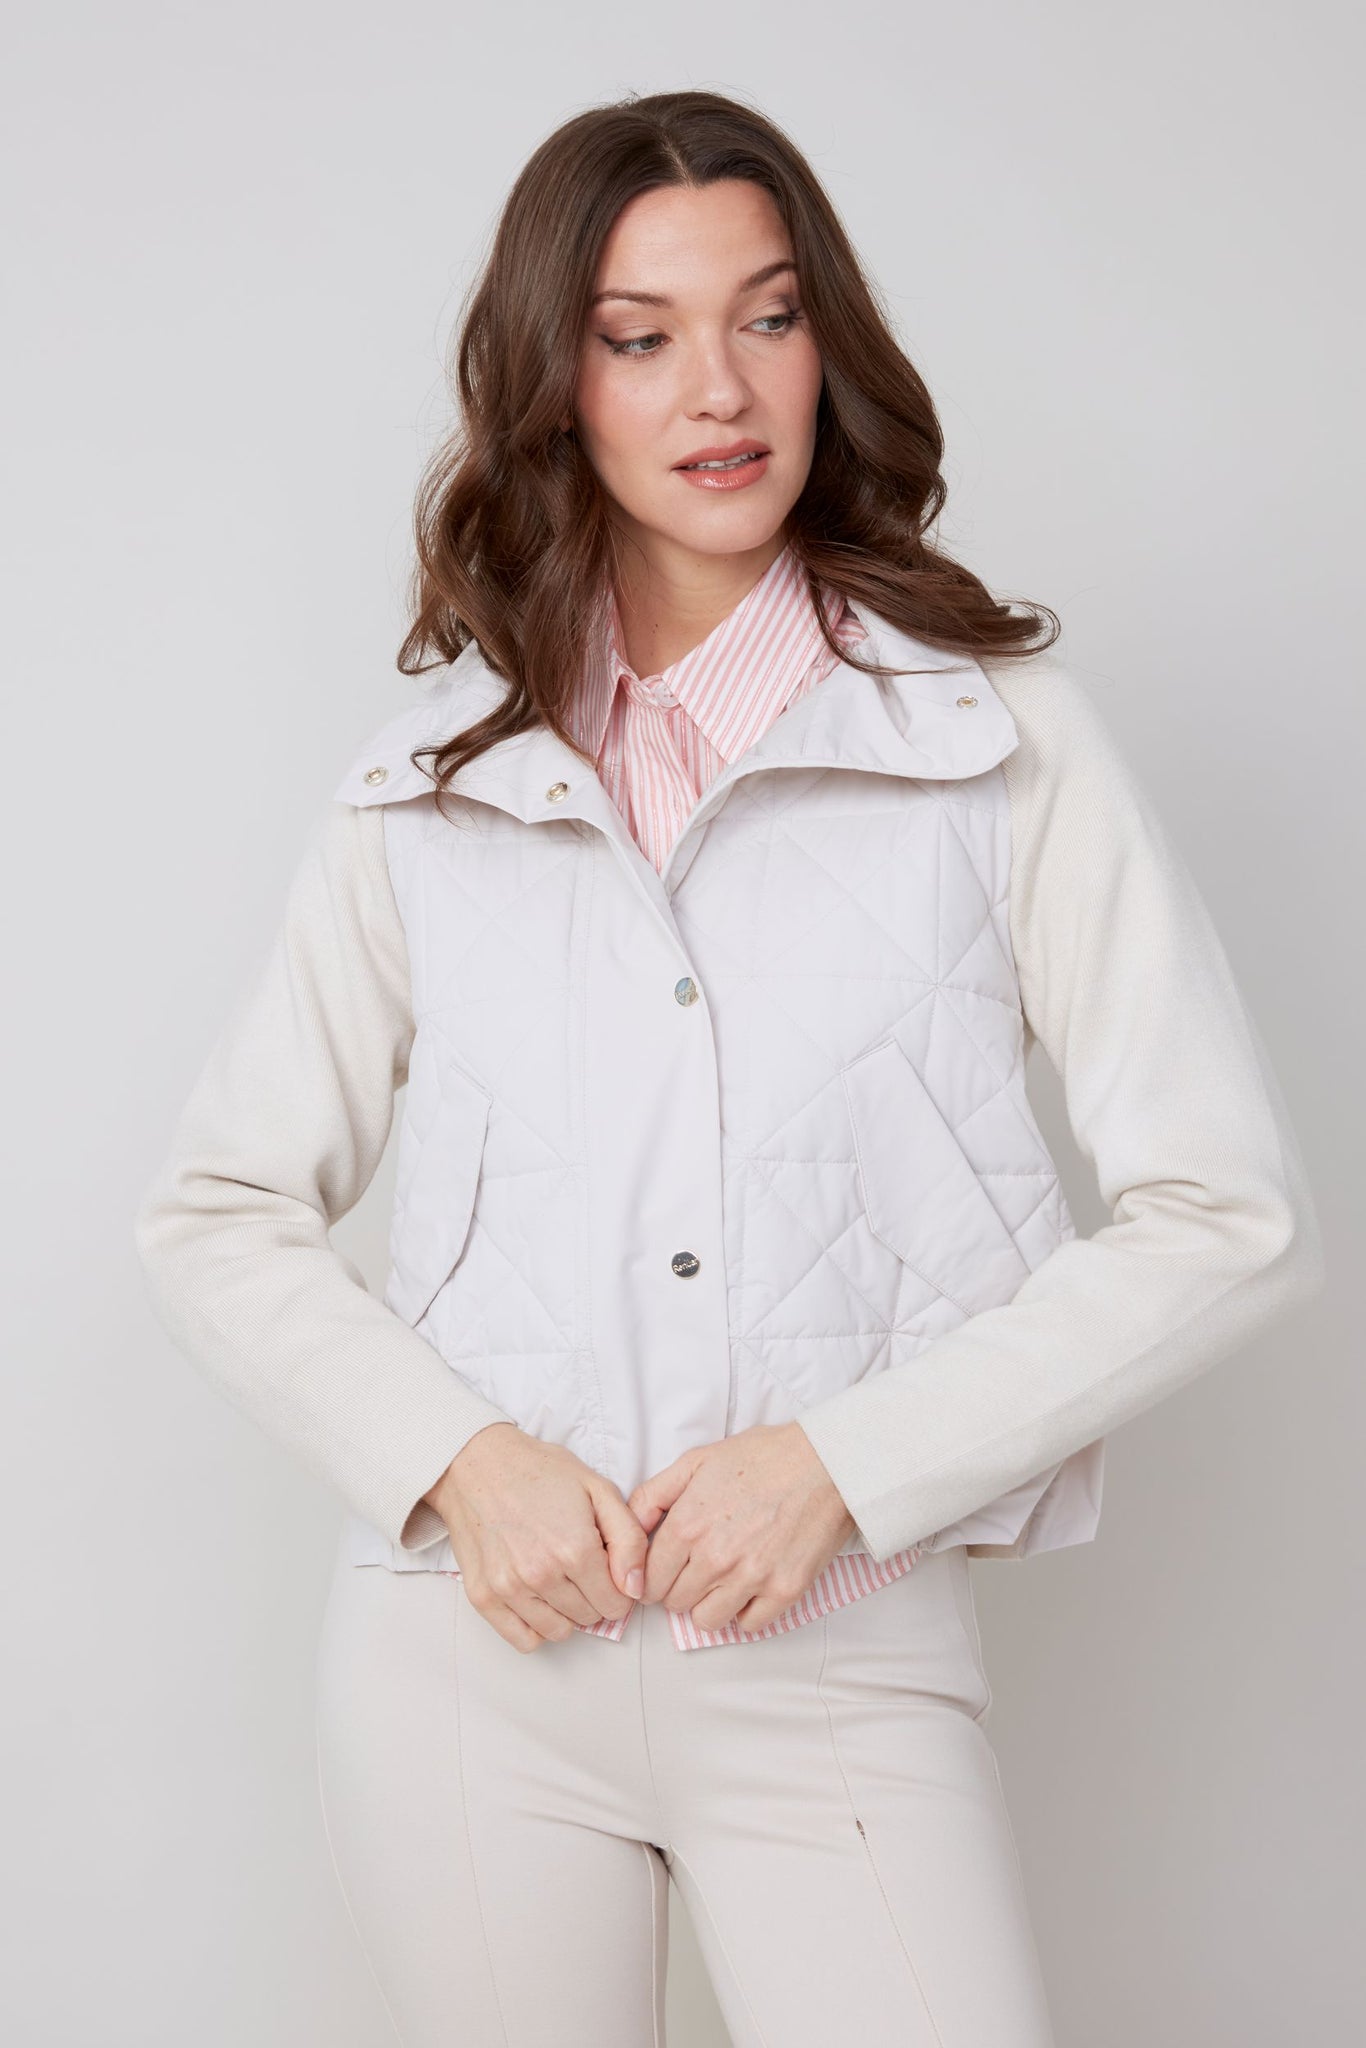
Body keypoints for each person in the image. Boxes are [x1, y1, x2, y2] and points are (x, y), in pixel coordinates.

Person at [133, 88, 1324, 2048]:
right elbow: (217, 1209)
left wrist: (840, 1470)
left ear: (825, 343)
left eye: (767, 317)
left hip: (838, 1661)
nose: (721, 387)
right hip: (470, 1672)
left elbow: (1225, 1213)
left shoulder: (995, 744)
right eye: (640, 335)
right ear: (555, 382)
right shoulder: (429, 783)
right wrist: (459, 1464)